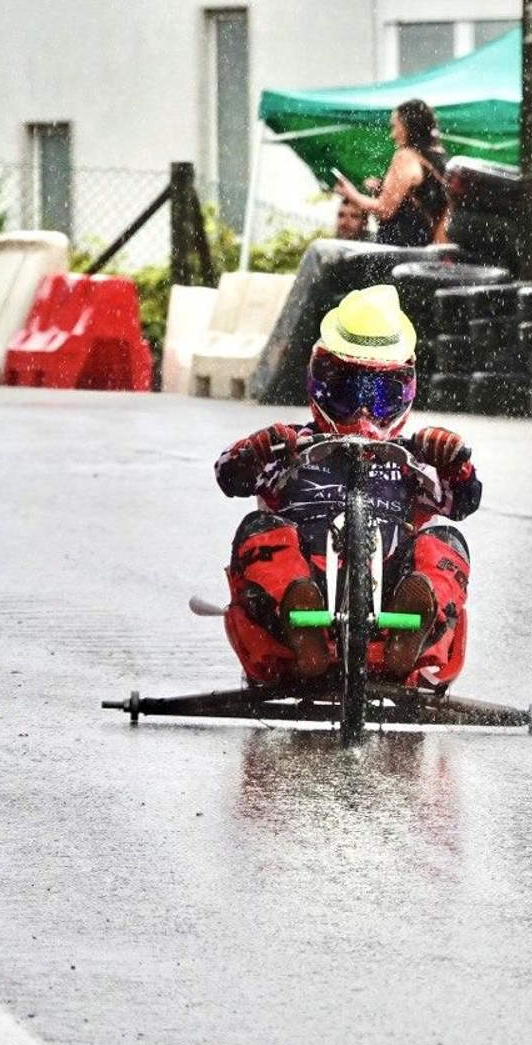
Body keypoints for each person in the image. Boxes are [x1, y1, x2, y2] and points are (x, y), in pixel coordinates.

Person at [214, 285, 482, 687]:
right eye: (346, 392)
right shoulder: (290, 449)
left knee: (446, 538)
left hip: (389, 601)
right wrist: (256, 449)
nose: (362, 411)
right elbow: (229, 476)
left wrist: (455, 461)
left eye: (379, 396)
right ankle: (302, 624)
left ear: (405, 393)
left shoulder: (412, 460)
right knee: (258, 532)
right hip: (298, 605)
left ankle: (414, 623)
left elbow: (463, 501)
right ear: (319, 384)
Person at [333, 99, 449, 247]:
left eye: (395, 126)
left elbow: (384, 209)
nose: (392, 135)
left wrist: (352, 194)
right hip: (427, 248)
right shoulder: (441, 157)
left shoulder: (406, 156)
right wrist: (381, 188)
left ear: (408, 127)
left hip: (401, 247)